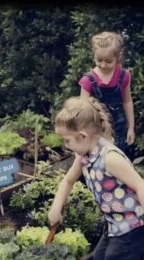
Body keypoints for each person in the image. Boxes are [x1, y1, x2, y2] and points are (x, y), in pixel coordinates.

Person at [48, 96, 144, 260]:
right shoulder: (84, 156)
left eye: (67, 140)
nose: (66, 146)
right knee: (99, 256)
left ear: (83, 136)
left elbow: (139, 184)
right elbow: (68, 180)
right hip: (114, 224)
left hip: (132, 227)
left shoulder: (110, 158)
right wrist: (56, 207)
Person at [79, 31, 135, 154]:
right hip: (98, 131)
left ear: (118, 58)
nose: (103, 65)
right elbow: (83, 111)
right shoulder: (88, 80)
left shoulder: (124, 76)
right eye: (99, 60)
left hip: (120, 130)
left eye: (108, 61)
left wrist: (131, 128)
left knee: (118, 160)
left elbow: (127, 101)